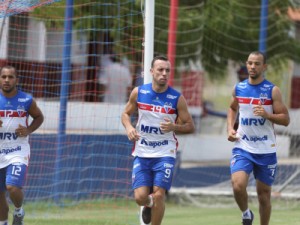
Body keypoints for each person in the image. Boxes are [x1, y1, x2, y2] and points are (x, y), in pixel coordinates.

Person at [121, 55, 195, 225]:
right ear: (151, 71)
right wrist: (130, 128)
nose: (164, 73)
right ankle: (148, 204)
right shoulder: (139, 92)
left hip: (165, 153)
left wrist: (174, 127)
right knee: (140, 198)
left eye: (167, 70)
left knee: (160, 194)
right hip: (142, 152)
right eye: (160, 70)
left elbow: (190, 126)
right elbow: (125, 114)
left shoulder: (177, 98)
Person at [227, 51, 290, 225]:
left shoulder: (272, 90)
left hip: (266, 150)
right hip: (243, 147)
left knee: (264, 196)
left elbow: (285, 119)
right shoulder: (238, 88)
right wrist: (230, 129)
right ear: (246, 65)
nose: (252, 67)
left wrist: (268, 115)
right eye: (250, 63)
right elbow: (232, 108)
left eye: (256, 63)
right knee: (237, 185)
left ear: (264, 67)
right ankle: (246, 213)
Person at [0, 66, 44, 225]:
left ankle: (18, 211)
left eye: (10, 77)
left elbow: (39, 117)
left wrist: (29, 129)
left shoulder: (26, 100)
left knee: (12, 187)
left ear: (16, 80)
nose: (6, 80)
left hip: (18, 150)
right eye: (3, 76)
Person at [233, 66, 249, 130]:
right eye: (240, 74)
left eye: (244, 74)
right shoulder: (238, 87)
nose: (242, 76)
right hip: (239, 120)